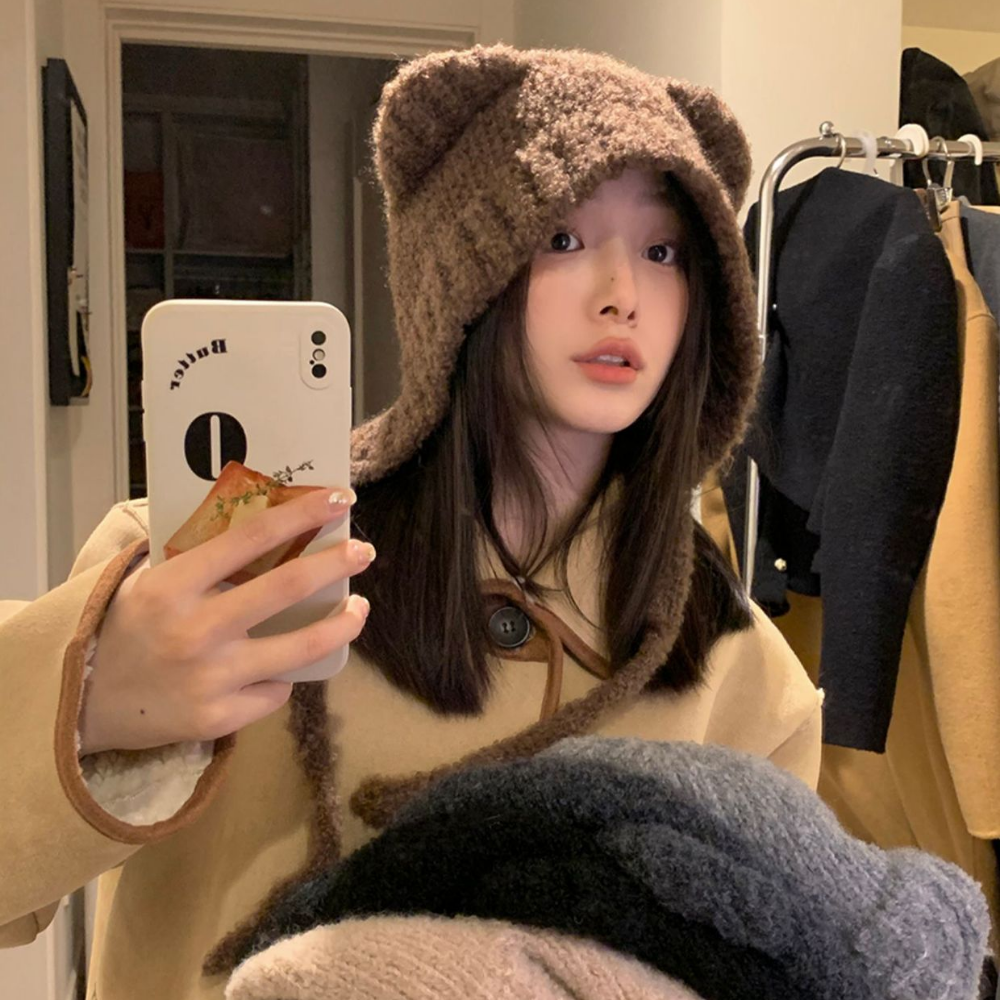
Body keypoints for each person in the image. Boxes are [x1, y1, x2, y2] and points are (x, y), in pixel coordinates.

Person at [0, 43, 822, 999]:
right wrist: (93, 695)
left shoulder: (741, 674)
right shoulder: (198, 565)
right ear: (462, 281)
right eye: (561, 238)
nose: (622, 294)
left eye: (663, 251)